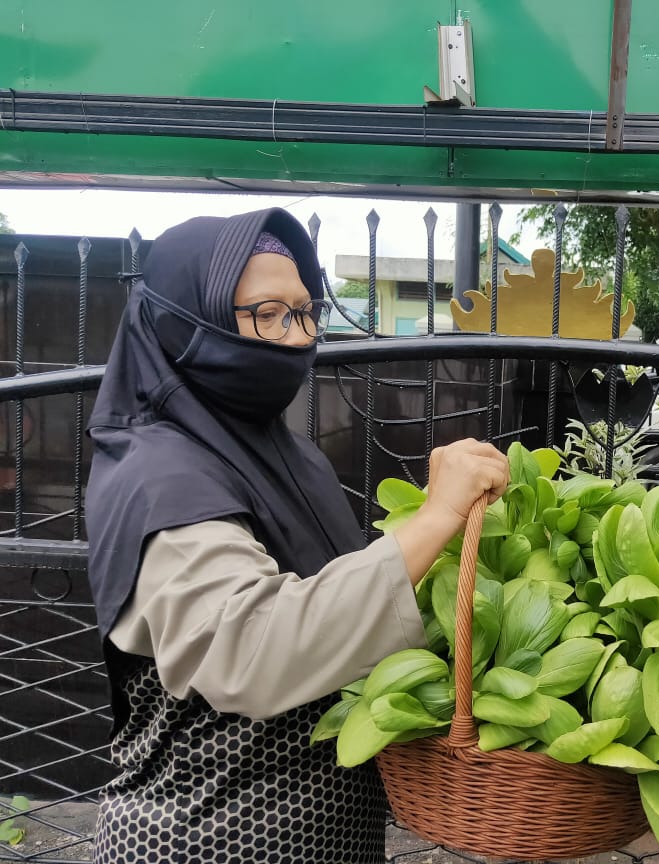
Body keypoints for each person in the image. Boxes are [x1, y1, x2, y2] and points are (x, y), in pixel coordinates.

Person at [84, 208, 509, 863]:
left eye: (305, 313)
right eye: (266, 314)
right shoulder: (159, 474)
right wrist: (431, 522)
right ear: (182, 322)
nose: (292, 337)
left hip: (323, 837)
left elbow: (339, 603)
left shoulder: (286, 454)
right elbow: (251, 648)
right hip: (205, 839)